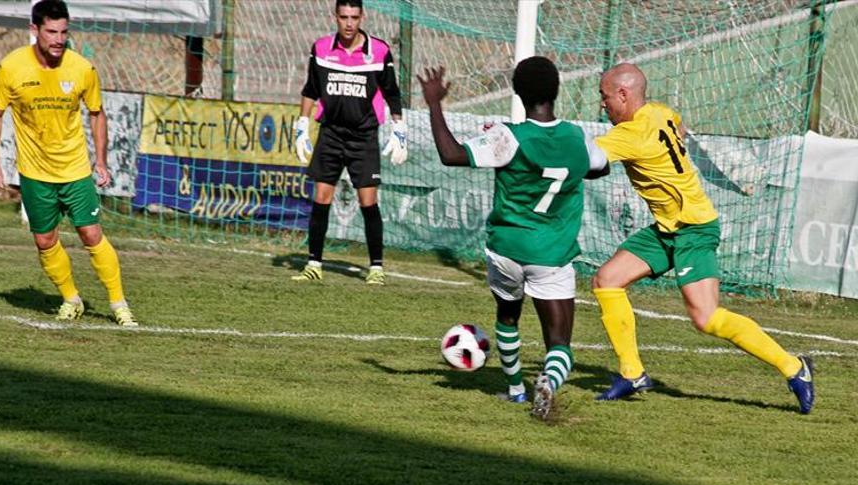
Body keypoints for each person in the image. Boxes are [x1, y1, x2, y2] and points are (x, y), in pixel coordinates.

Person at [591, 63, 813, 413]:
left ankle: (794, 367)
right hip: (668, 227)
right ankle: (632, 374)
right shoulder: (659, 112)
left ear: (623, 94)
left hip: (693, 228)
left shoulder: (630, 134)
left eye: (605, 97)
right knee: (607, 280)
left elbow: (587, 159)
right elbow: (678, 126)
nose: (602, 105)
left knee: (706, 318)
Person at [419, 57, 609, 420]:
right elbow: (602, 167)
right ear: (556, 91)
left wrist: (434, 103)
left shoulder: (507, 136)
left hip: (506, 249)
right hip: (551, 253)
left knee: (508, 317)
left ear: (517, 93)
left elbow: (451, 154)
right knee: (559, 343)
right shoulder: (576, 137)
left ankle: (517, 390)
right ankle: (548, 384)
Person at [0, 0, 138, 327]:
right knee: (44, 241)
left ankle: (119, 304)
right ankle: (71, 298)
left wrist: (102, 160)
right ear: (34, 30)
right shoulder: (11, 68)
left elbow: (97, 114)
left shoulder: (82, 68)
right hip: (34, 172)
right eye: (51, 31)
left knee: (90, 234)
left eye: (64, 32)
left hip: (75, 170)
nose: (58, 39)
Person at [291, 0, 407, 285]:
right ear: (336, 17)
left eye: (354, 17)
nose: (349, 23)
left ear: (362, 17)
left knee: (368, 201)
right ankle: (314, 263)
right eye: (343, 17)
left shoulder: (379, 51)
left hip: (363, 136)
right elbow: (310, 89)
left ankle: (376, 267)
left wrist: (399, 129)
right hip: (330, 133)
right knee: (321, 198)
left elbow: (392, 92)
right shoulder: (320, 48)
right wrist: (302, 126)